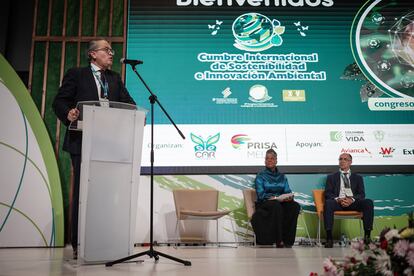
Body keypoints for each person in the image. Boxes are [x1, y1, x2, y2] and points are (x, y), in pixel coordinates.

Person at [52, 39, 136, 259]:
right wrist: (68, 113)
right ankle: (79, 242)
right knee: (84, 193)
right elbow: (59, 101)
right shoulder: (77, 74)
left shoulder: (115, 78)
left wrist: (136, 115)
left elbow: (129, 104)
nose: (111, 54)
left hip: (110, 145)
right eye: (107, 50)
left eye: (111, 50)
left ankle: (105, 240)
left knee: (107, 195)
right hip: (83, 141)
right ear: (92, 54)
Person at [324, 153, 374, 248]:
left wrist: (351, 199)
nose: (342, 161)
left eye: (345, 159)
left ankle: (367, 237)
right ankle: (329, 238)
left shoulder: (358, 178)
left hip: (353, 203)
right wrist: (338, 199)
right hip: (338, 203)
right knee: (328, 203)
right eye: (340, 159)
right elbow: (328, 193)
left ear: (350, 162)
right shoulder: (331, 177)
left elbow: (361, 194)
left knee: (368, 202)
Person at [251, 149, 300, 247]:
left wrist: (288, 197)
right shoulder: (260, 176)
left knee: (294, 206)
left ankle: (288, 241)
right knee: (276, 205)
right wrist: (273, 197)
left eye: (272, 158)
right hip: (265, 203)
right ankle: (279, 239)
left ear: (276, 161)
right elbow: (261, 195)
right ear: (265, 161)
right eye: (267, 159)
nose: (269, 160)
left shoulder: (282, 176)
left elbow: (287, 191)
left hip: (280, 202)